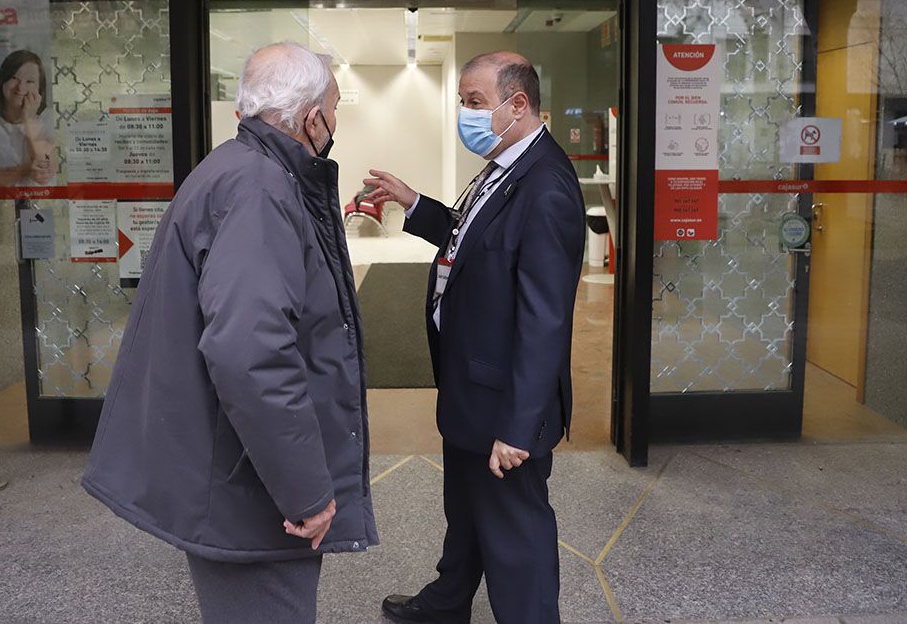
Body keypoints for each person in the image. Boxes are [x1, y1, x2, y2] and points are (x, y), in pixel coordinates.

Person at [82, 42, 377, 624]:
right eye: (335, 108)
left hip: (231, 465)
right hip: (249, 485)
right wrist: (306, 492)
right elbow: (250, 351)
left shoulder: (233, 168)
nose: (335, 122)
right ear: (310, 117)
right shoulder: (261, 190)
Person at [368, 51, 585, 624]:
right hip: (472, 382)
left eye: (474, 103)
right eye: (462, 102)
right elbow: (473, 243)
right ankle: (447, 602)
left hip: (504, 404)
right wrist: (415, 205)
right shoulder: (504, 166)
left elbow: (545, 320)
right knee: (464, 510)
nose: (465, 115)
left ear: (518, 104)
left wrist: (517, 427)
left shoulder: (547, 187)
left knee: (516, 534)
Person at [0, 49, 56, 186]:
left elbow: (43, 175)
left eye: (30, 81)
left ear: (40, 88)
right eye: (14, 78)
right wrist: (26, 169)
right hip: (1, 205)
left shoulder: (49, 119)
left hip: (40, 203)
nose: (20, 87)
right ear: (3, 81)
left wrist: (29, 119)